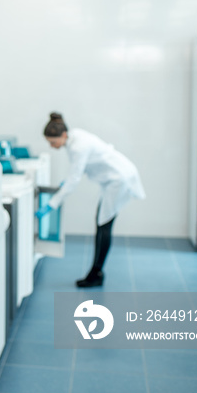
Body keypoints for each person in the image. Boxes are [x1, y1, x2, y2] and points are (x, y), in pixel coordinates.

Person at [36, 113, 145, 288]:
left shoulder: (78, 146)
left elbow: (74, 178)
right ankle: (97, 272)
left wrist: (51, 204)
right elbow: (77, 171)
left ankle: (96, 273)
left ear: (63, 135)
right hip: (115, 178)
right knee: (102, 222)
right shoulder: (75, 136)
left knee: (103, 224)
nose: (52, 146)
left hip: (118, 180)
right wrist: (67, 183)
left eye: (53, 142)